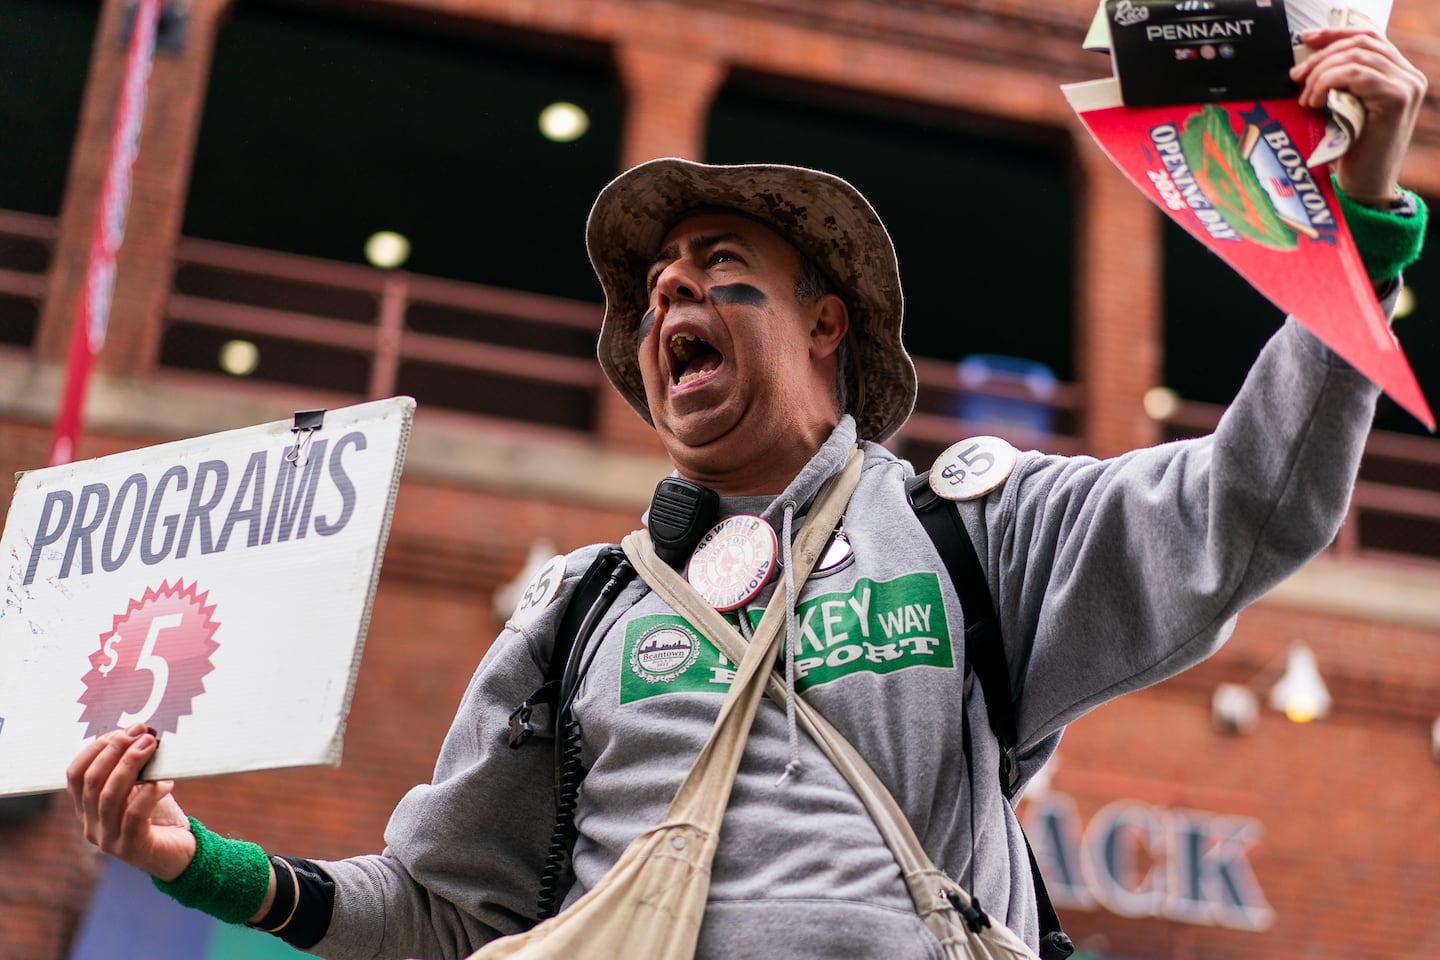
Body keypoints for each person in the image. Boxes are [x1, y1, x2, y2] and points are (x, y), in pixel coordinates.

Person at [68, 26, 1428, 960]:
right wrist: (203, 863)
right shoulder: (574, 618)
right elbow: (434, 907)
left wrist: (1357, 229)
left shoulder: (971, 531)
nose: (671, 303)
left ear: (827, 324)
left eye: (716, 270)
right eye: (653, 297)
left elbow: (1247, 508)